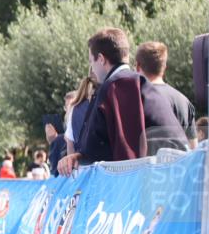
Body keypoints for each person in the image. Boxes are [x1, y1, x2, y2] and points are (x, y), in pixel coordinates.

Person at [59, 28, 145, 174]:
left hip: (124, 182)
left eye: (91, 62)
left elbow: (101, 145)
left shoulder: (113, 88)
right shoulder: (142, 83)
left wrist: (79, 156)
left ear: (101, 59)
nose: (92, 68)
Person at [135, 41, 197, 150]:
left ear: (138, 66)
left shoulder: (135, 100)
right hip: (178, 166)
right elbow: (193, 148)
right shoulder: (183, 101)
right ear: (164, 67)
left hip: (146, 166)